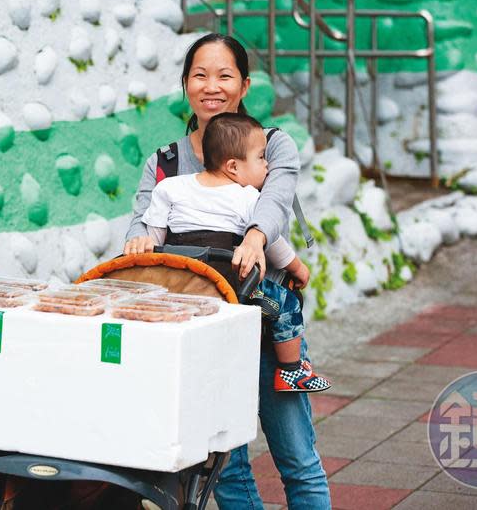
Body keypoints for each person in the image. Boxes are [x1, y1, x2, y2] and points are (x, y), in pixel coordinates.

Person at [124, 33, 331, 509]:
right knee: (227, 469)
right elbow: (142, 225)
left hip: (261, 326)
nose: (211, 86)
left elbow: (275, 202)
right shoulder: (166, 163)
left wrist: (256, 237)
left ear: (244, 85)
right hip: (201, 335)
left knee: (297, 458)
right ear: (184, 85)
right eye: (199, 75)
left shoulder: (272, 145)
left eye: (224, 75)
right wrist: (138, 242)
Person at [138, 112, 331, 393]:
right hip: (233, 287)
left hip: (182, 285)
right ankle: (292, 371)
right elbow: (271, 242)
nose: (267, 165)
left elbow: (153, 239)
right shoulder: (247, 196)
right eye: (261, 158)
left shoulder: (170, 187)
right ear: (233, 167)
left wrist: (142, 246)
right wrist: (298, 269)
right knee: (286, 305)